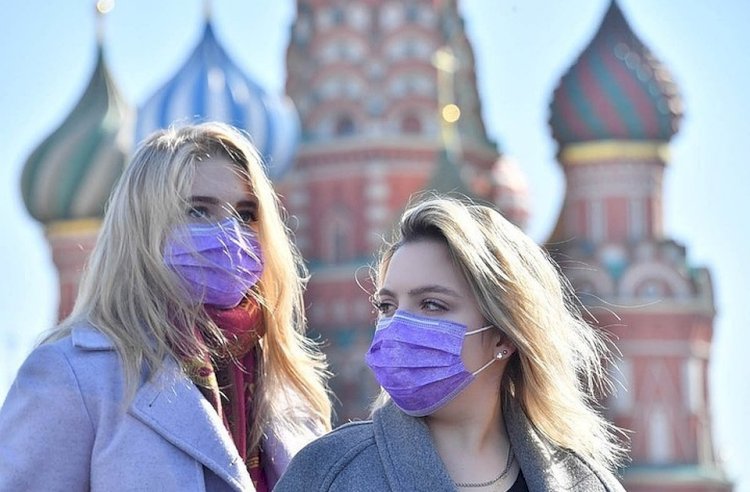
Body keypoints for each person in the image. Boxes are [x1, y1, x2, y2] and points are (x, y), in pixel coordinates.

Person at [0, 122, 331, 491]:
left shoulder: (289, 388)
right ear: (143, 230)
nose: (231, 233)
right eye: (198, 211)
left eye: (246, 214)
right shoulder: (76, 375)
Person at [275, 196, 627, 491]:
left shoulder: (586, 483)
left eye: (431, 304)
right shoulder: (328, 473)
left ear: (503, 335)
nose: (397, 327)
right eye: (387, 306)